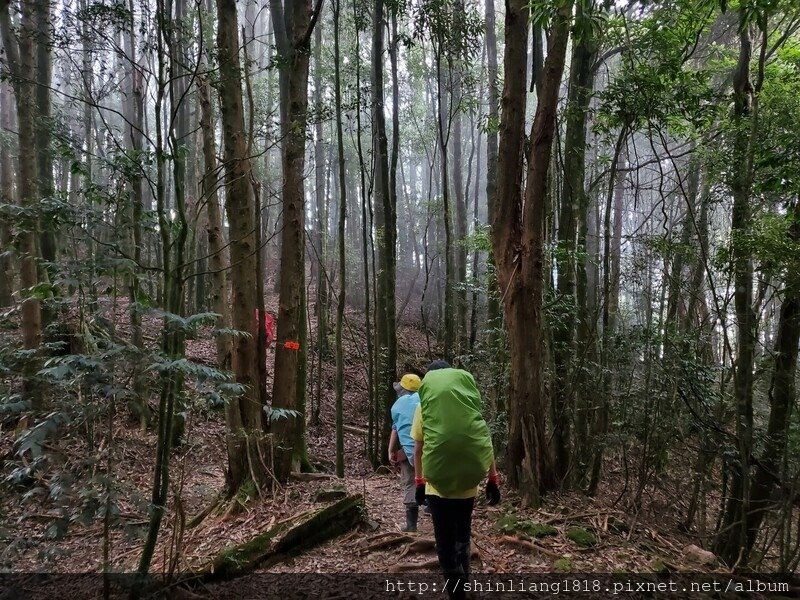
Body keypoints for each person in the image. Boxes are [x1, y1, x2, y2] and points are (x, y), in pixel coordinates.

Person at [412, 360, 500, 600]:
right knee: (463, 532)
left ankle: (456, 593)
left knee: (444, 540)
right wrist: (493, 478)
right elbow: (484, 440)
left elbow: (418, 450)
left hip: (437, 486)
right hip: (468, 484)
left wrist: (419, 482)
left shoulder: (424, 407)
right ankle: (465, 580)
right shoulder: (467, 403)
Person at [388, 373, 423, 532]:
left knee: (409, 482)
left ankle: (411, 525)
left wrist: (390, 450)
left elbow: (395, 430)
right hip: (428, 449)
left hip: (409, 452)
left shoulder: (397, 406)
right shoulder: (426, 400)